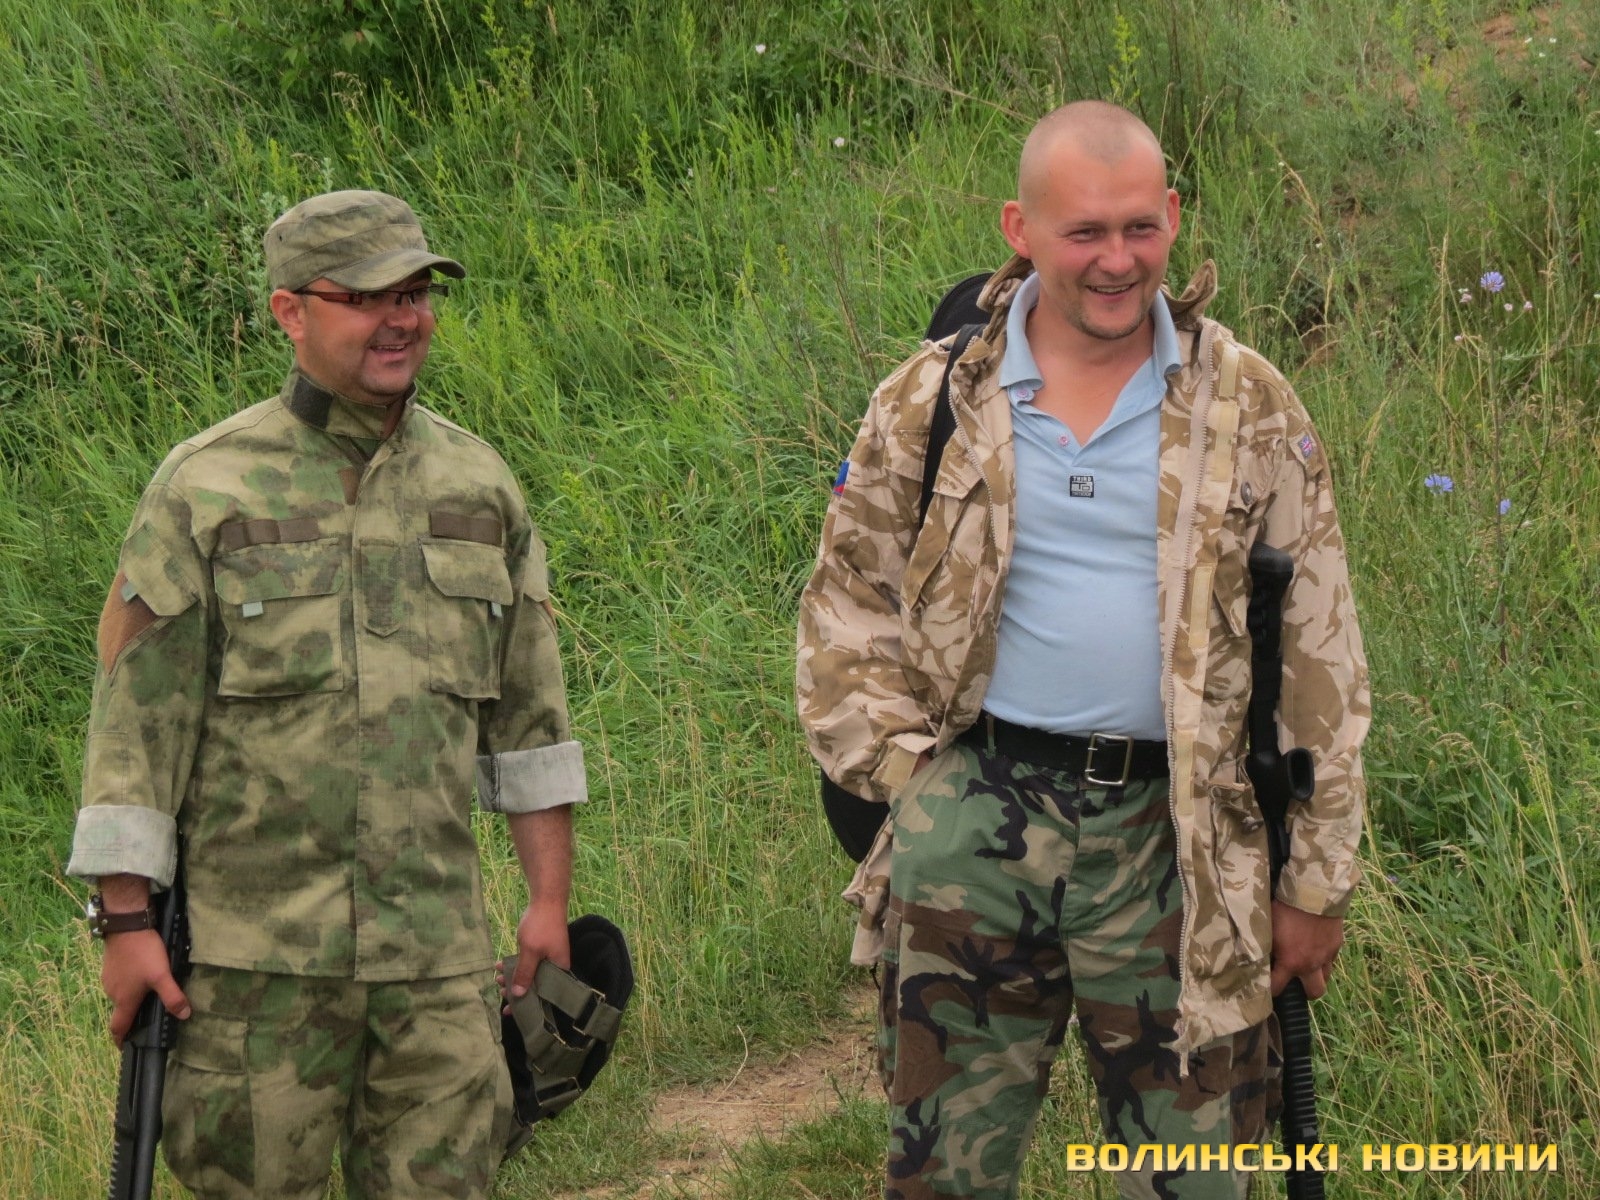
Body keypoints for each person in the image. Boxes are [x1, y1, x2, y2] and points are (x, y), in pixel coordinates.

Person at [796, 102, 1369, 1200]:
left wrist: (1314, 882)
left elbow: (1320, 654)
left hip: (1182, 842)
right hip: (976, 823)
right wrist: (917, 792)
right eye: (1085, 232)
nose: (1118, 261)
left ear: (1173, 217)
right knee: (944, 1173)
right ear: (1020, 229)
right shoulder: (932, 398)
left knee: (1193, 1176)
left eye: (1140, 228)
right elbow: (846, 608)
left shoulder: (1246, 403)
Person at [67, 189, 587, 1198]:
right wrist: (126, 926)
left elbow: (530, 726)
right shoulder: (206, 487)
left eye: (415, 294)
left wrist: (548, 905)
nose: (401, 319)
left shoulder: (479, 486)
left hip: (438, 967)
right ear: (289, 312)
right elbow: (136, 732)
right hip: (256, 980)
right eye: (365, 297)